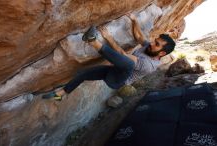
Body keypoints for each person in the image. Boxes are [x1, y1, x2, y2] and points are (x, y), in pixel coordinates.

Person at [42, 14, 176, 101]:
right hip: (113, 70)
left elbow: (123, 55)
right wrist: (134, 20)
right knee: (83, 74)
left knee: (128, 64)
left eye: (157, 44)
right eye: (155, 40)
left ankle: (92, 41)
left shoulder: (149, 65)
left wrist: (108, 37)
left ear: (162, 54)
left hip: (117, 80)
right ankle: (60, 94)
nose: (152, 43)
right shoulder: (150, 48)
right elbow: (140, 37)